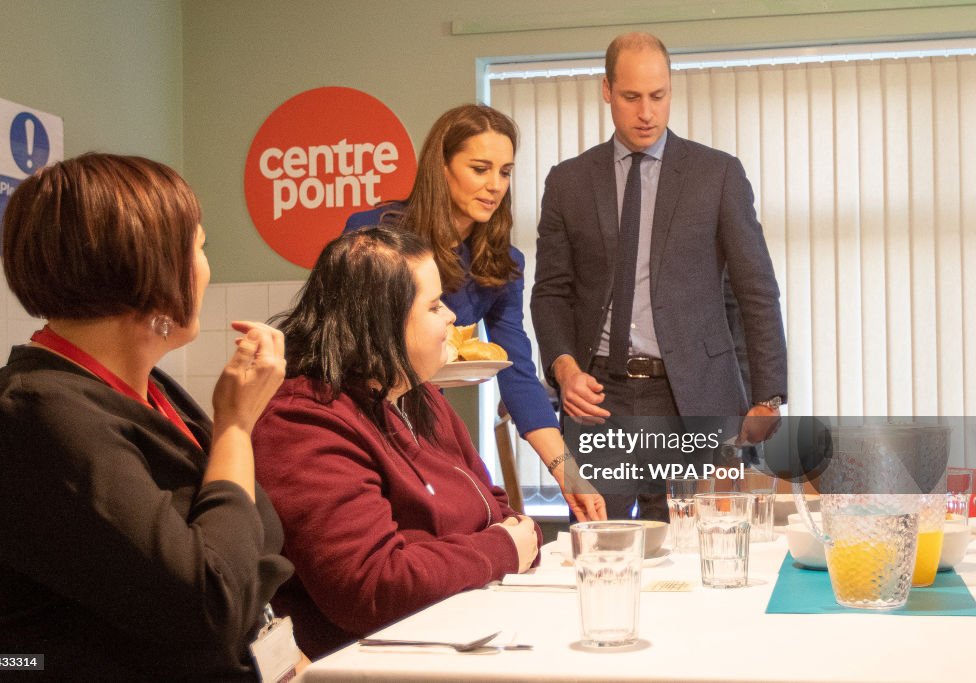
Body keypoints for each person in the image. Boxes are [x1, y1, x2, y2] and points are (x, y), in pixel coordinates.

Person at [0, 154, 299, 681]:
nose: (208, 268)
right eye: (200, 248)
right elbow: (211, 602)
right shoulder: (37, 413)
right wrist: (234, 426)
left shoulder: (149, 390)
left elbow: (253, 544)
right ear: (152, 266)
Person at [531, 32, 788, 520]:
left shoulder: (718, 174)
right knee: (598, 551)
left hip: (696, 393)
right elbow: (551, 293)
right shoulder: (567, 183)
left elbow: (757, 288)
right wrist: (563, 368)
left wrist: (768, 396)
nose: (646, 112)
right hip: (600, 399)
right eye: (631, 97)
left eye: (658, 95)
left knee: (698, 556)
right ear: (606, 90)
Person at [253, 226, 540, 660]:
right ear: (380, 321)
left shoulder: (417, 396)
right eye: (434, 305)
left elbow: (499, 513)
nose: (452, 318)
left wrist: (501, 543)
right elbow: (373, 587)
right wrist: (500, 550)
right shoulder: (302, 421)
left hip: (466, 638)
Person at [345, 104, 606, 522]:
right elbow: (342, 341)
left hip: (424, 415)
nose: (495, 186)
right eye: (480, 169)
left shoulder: (502, 263)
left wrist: (567, 473)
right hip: (354, 416)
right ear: (442, 167)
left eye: (504, 172)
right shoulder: (374, 234)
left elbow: (516, 370)